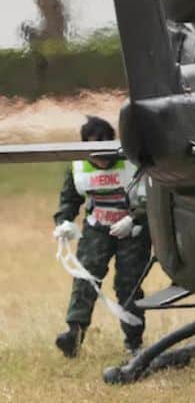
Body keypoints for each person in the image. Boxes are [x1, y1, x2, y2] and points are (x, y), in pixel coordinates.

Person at [51, 116, 150, 358]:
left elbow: (152, 198)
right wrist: (64, 222)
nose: (102, 158)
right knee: (85, 279)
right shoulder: (78, 167)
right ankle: (74, 333)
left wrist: (134, 219)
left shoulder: (133, 163)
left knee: (129, 285)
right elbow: (70, 199)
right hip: (97, 228)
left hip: (132, 232)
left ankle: (134, 341)